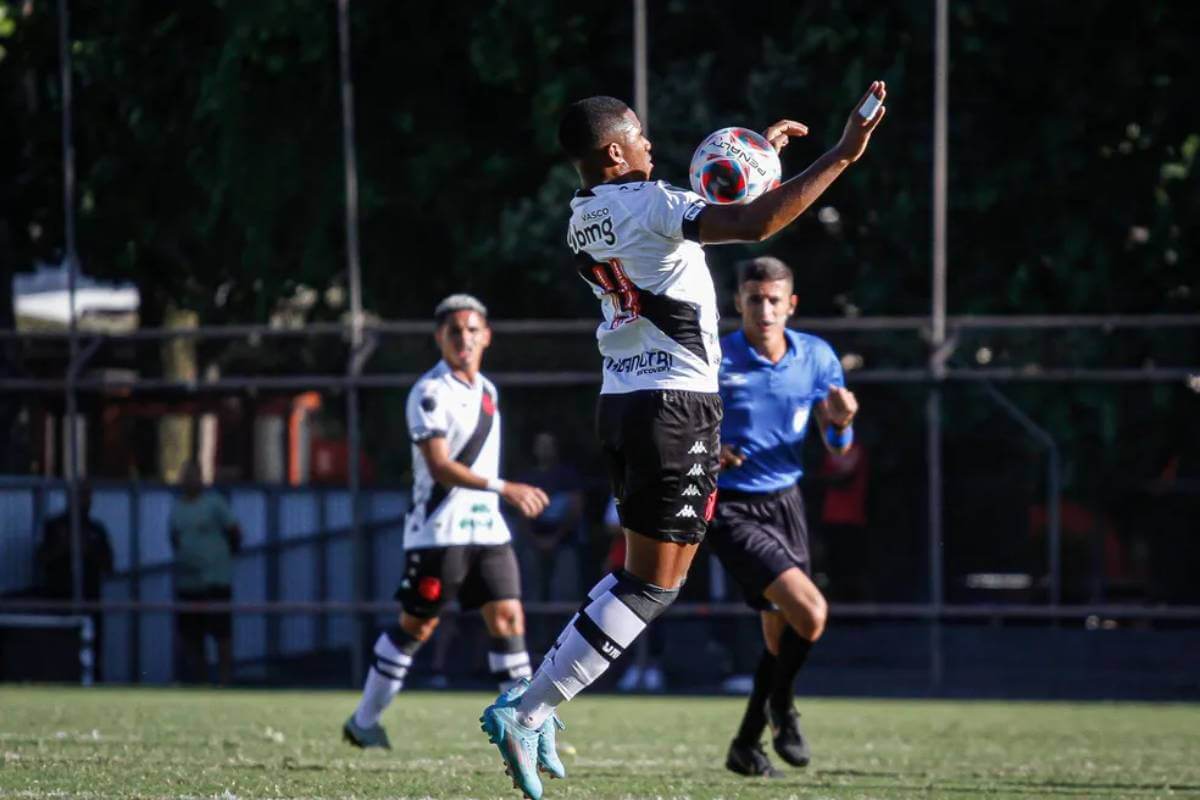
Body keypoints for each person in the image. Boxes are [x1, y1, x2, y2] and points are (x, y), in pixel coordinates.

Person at [479, 81, 888, 799]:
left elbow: (684, 223)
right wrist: (843, 156)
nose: (650, 144)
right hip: (676, 410)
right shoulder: (653, 204)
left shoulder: (583, 215)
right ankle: (532, 707)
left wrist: (752, 154)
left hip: (625, 404)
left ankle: (536, 704)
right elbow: (757, 224)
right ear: (614, 151)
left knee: (637, 575)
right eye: (638, 137)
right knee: (653, 587)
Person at [343, 294, 551, 749]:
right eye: (455, 331)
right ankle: (363, 721)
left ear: (487, 337)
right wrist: (505, 488)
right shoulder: (429, 392)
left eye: (473, 330)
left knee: (509, 619)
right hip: (439, 533)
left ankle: (526, 730)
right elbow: (439, 467)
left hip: (488, 531)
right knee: (417, 627)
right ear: (440, 338)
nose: (465, 339)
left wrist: (499, 497)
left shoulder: (490, 392)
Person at [708, 257, 859, 777]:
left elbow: (837, 444)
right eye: (755, 299)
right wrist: (711, 451)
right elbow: (678, 430)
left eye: (774, 300)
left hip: (786, 503)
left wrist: (840, 425)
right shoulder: (715, 359)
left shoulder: (816, 357)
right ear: (739, 304)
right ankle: (783, 709)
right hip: (729, 508)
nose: (765, 309)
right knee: (811, 613)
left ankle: (746, 746)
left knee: (780, 640)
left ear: (791, 304)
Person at [170, 460, 242, 685]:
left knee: (221, 634)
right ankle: (201, 683)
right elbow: (174, 539)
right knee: (192, 637)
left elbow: (235, 533)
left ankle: (224, 681)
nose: (190, 480)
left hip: (215, 581)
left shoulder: (214, 503)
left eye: (195, 475)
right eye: (186, 475)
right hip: (188, 583)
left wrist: (218, 558)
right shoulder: (177, 508)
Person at [514, 432, 584, 605]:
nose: (544, 449)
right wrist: (535, 539)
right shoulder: (526, 478)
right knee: (531, 591)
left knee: (564, 592)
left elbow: (576, 509)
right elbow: (521, 515)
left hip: (565, 541)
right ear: (534, 449)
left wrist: (556, 538)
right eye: (540, 444)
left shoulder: (568, 476)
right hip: (532, 542)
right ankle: (535, 631)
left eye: (549, 444)